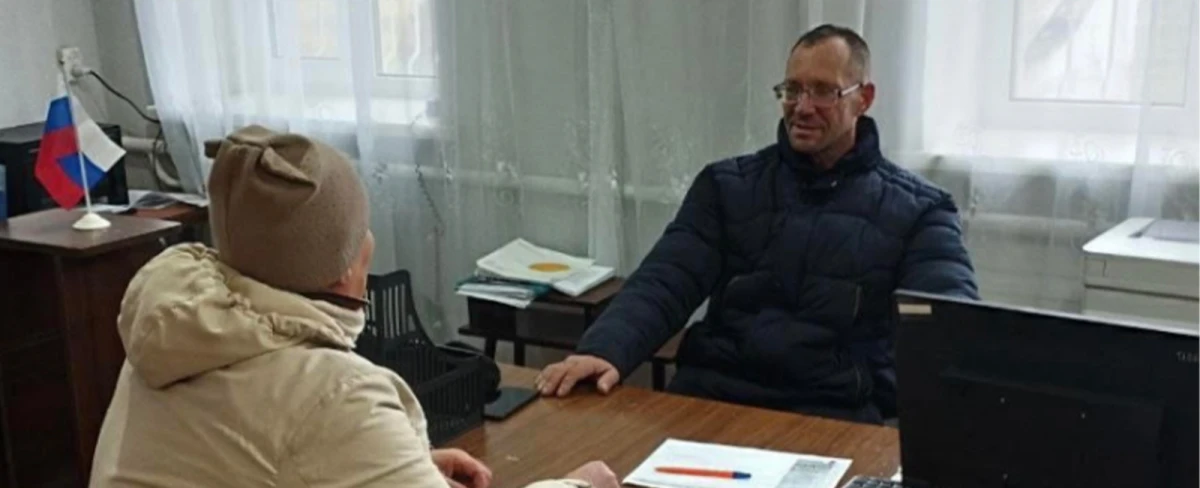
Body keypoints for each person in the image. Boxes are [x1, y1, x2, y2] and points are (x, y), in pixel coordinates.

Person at [90, 126, 618, 488]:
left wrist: (392, 466)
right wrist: (577, 484)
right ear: (346, 266)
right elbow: (303, 426)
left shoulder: (176, 333)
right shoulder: (335, 391)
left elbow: (248, 456)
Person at [537, 24, 978, 424]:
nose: (802, 107)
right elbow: (666, 280)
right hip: (713, 398)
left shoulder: (920, 210)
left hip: (835, 415)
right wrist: (605, 350)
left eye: (823, 92)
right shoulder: (727, 186)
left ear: (863, 99)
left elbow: (947, 324)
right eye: (792, 90)